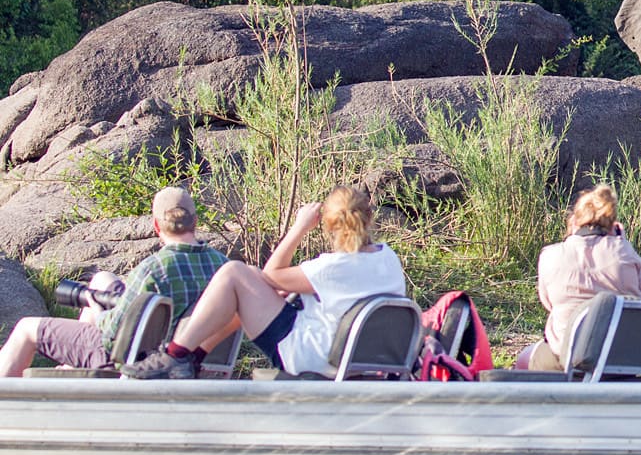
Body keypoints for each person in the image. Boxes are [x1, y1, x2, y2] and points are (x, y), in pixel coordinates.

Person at [124, 185, 406, 380]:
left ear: (327, 225)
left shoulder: (330, 268)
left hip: (312, 356)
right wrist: (274, 286)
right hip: (360, 356)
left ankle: (175, 355)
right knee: (250, 281)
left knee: (236, 273)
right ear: (369, 218)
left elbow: (272, 273)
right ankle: (192, 359)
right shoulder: (388, 259)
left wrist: (298, 228)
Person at [0, 187, 226, 377]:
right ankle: (73, 369)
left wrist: (98, 310)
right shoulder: (223, 267)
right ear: (195, 221)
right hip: (190, 360)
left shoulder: (155, 269)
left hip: (133, 358)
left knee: (26, 328)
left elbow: (113, 334)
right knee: (103, 279)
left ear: (156, 226)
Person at [516, 184, 641, 371]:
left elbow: (549, 303)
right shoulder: (625, 254)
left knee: (524, 359)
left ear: (574, 221)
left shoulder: (551, 255)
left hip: (568, 355)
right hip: (621, 355)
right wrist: (621, 242)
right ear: (613, 224)